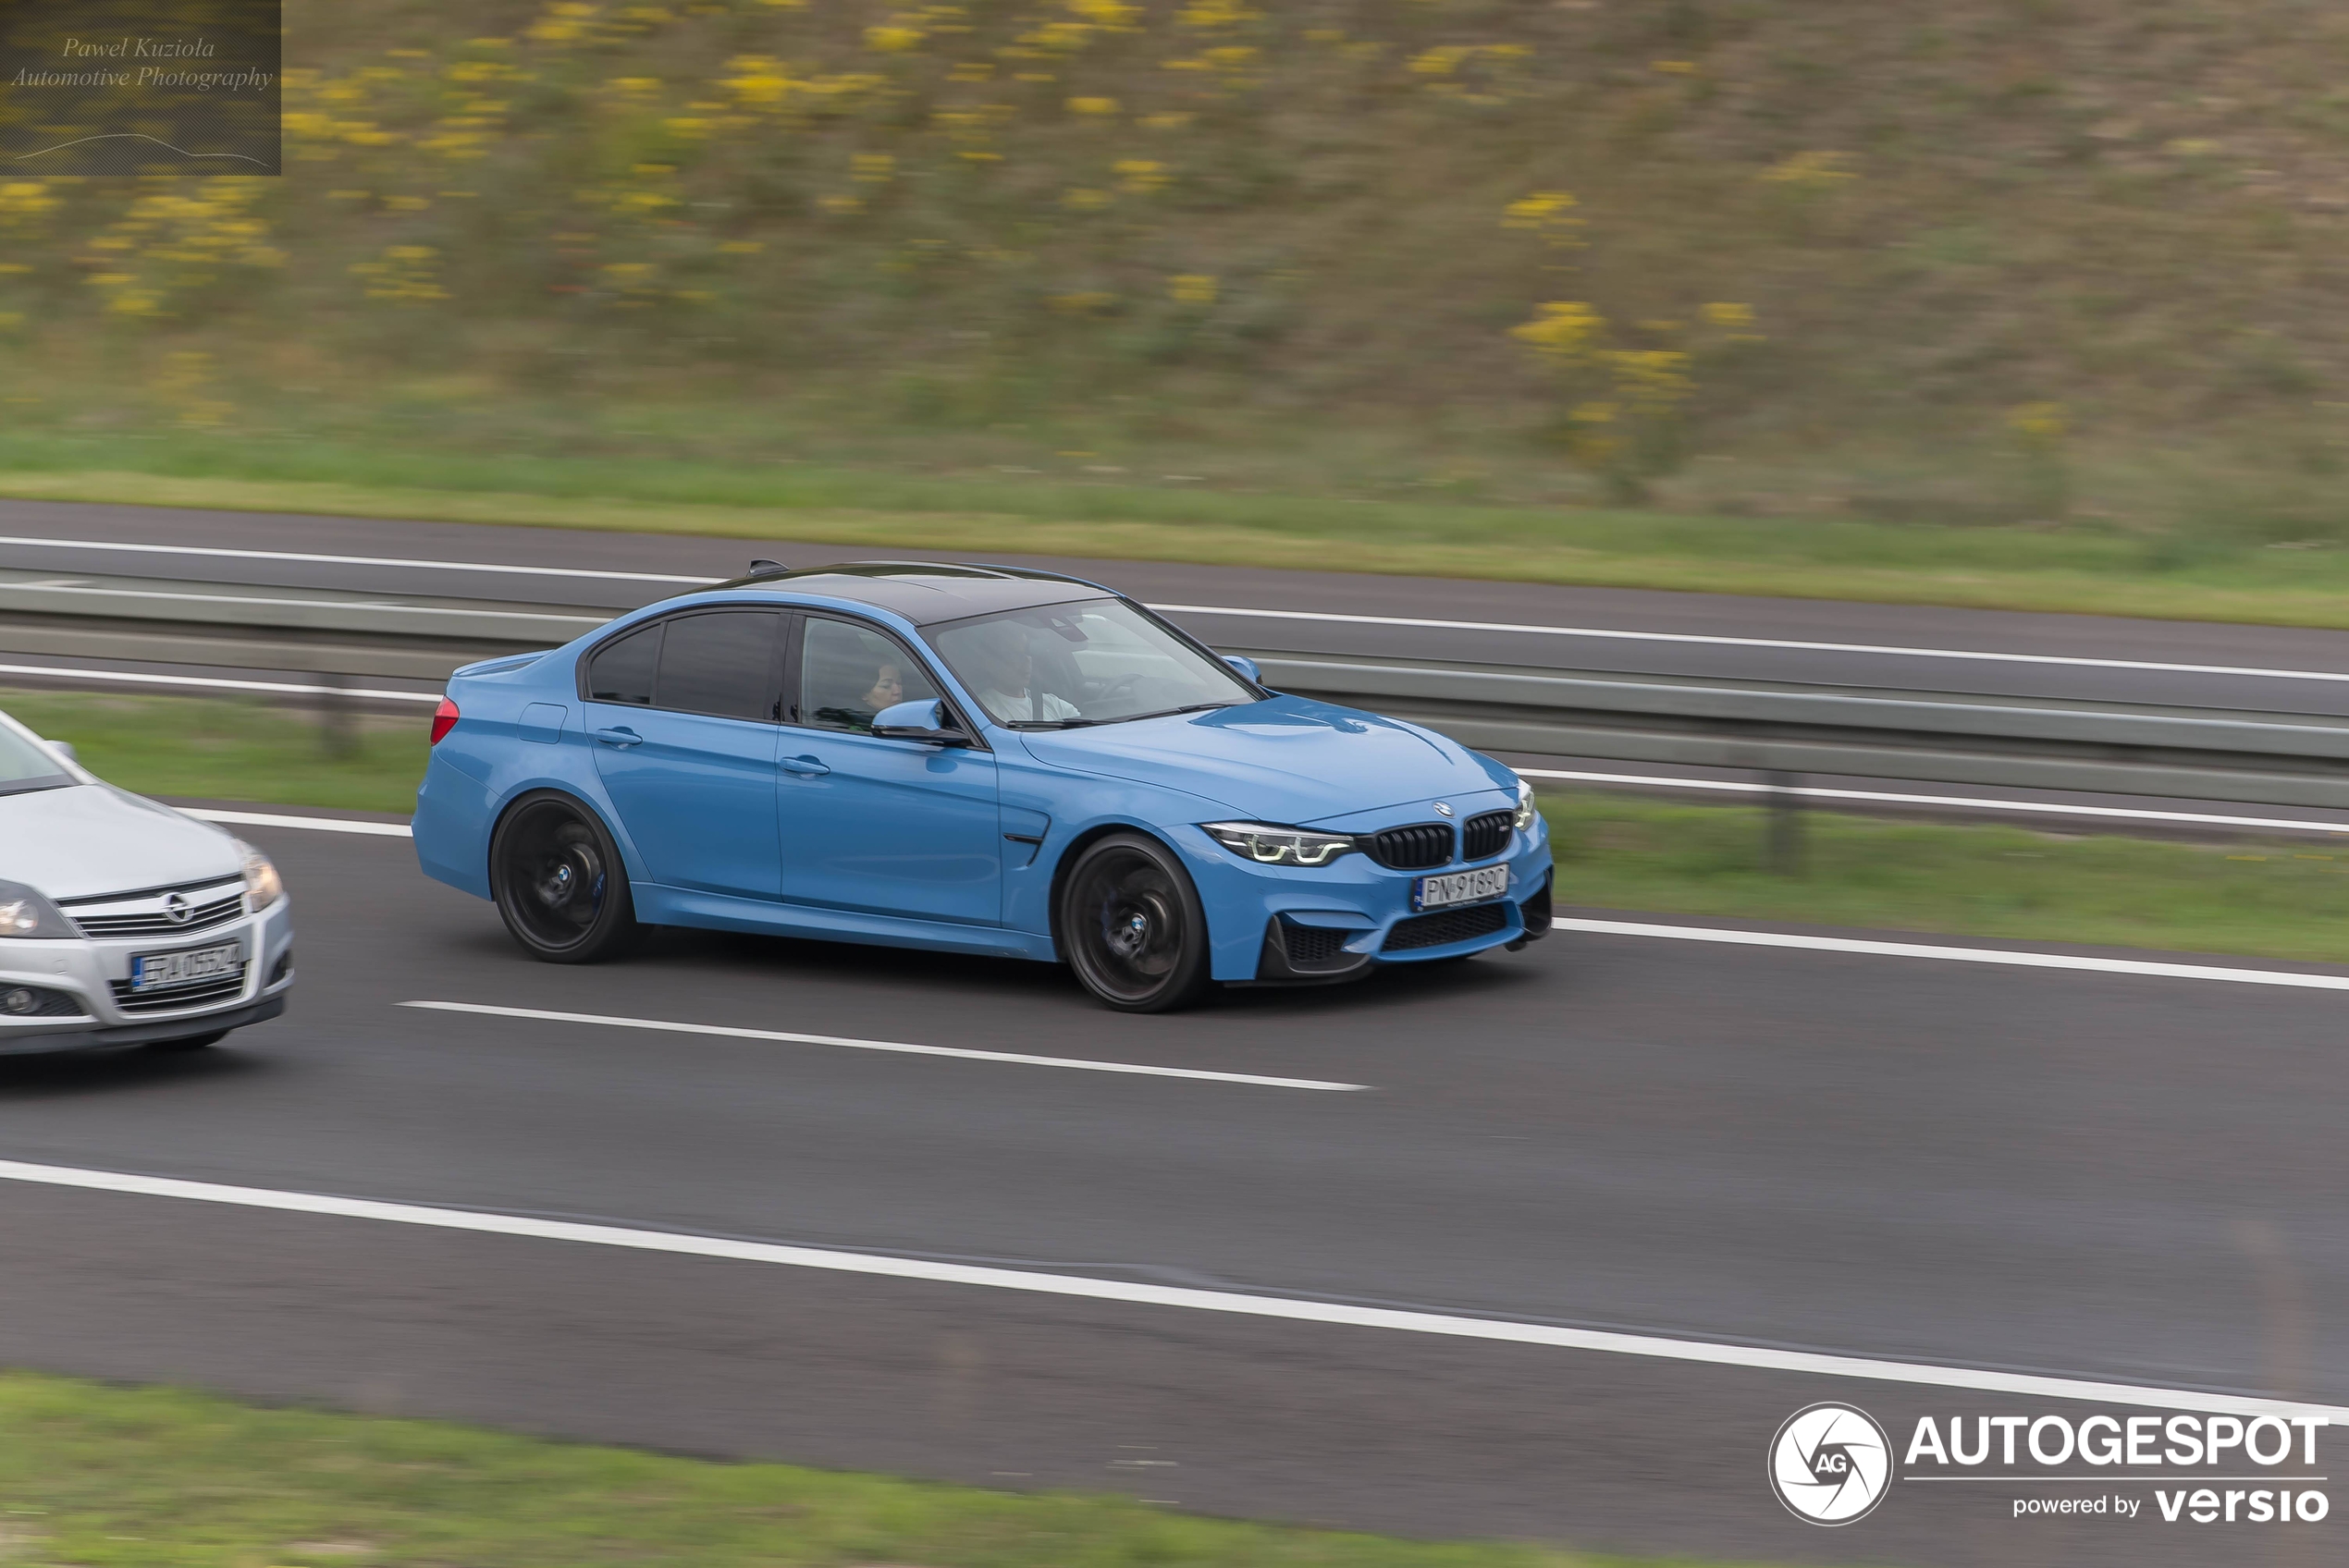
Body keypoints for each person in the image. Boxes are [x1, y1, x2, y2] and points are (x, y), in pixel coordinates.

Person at [969, 623, 1080, 723]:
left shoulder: (1052, 703)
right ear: (991, 663)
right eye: (1015, 655)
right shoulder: (984, 711)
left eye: (1027, 653)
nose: (1026, 660)